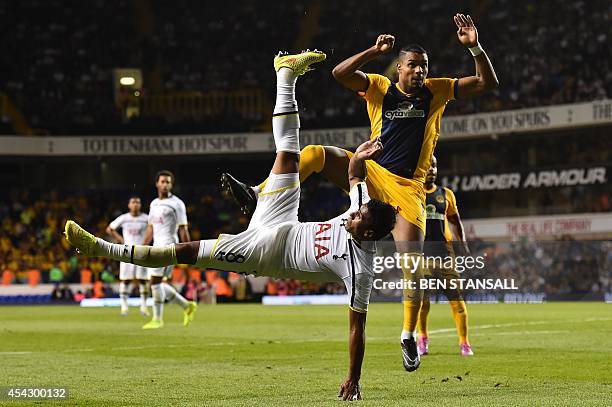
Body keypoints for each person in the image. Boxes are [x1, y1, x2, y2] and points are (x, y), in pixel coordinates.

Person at [64, 50, 397, 401]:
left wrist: (353, 378)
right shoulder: (362, 208)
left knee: (182, 252)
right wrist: (359, 156)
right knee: (289, 155)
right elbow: (356, 175)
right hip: (283, 218)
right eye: (356, 213)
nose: (352, 216)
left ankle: (99, 248)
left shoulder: (361, 271)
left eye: (358, 220)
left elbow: (357, 328)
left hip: (265, 253)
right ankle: (286, 75)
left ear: (369, 235)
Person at [222, 13, 498, 372]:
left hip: (408, 190)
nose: (419, 72)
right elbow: (339, 74)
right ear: (399, 67)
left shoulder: (438, 89)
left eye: (424, 66)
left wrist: (474, 46)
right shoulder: (380, 87)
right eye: (413, 65)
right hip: (370, 171)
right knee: (317, 154)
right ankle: (259, 193)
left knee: (412, 268)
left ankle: (407, 336)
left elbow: (487, 82)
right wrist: (372, 50)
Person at [418, 155, 473, 356]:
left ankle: (464, 342)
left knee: (457, 300)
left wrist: (464, 244)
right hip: (421, 256)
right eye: (428, 165)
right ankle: (422, 338)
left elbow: (456, 222)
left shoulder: (446, 194)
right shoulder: (412, 193)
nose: (432, 169)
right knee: (423, 302)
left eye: (434, 165)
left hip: (445, 255)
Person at [141, 170, 196, 329]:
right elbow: (151, 228)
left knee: (155, 282)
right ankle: (187, 306)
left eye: (168, 182)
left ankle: (157, 319)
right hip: (156, 246)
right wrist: (143, 246)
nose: (165, 184)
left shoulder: (177, 203)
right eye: (162, 182)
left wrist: (189, 251)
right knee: (158, 283)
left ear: (171, 185)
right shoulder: (153, 203)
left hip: (169, 246)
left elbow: (183, 229)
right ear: (157, 184)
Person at [106, 195, 150, 316]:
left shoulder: (146, 218)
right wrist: (121, 240)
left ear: (140, 205)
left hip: (141, 252)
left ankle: (144, 307)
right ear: (129, 205)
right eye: (133, 202)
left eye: (138, 203)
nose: (135, 205)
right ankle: (124, 307)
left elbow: (153, 228)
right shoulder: (124, 218)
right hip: (127, 252)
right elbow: (109, 229)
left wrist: (147, 241)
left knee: (143, 280)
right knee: (126, 280)